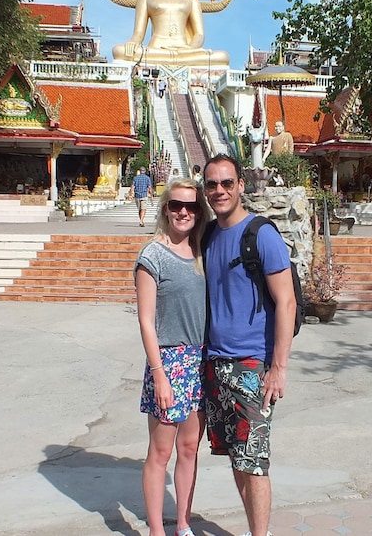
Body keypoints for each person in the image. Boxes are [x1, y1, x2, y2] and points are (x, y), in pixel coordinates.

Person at [201, 154, 296, 536]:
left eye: (227, 183)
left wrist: (279, 368)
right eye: (212, 184)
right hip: (215, 363)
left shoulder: (262, 235)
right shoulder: (208, 235)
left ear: (241, 185)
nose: (219, 190)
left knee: (254, 462)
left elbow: (286, 301)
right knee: (238, 460)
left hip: (252, 366)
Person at [134, 178, 210, 536]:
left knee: (190, 448)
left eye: (191, 206)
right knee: (160, 452)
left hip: (201, 359)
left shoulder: (201, 252)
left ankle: (182, 523)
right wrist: (159, 374)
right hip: (169, 361)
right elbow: (146, 322)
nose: (184, 212)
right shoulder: (153, 255)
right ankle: (155, 530)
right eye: (177, 205)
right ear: (165, 208)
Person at [110, 0, 230, 66]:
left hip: (184, 50)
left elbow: (199, 35)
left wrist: (190, 49)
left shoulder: (192, 2)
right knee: (119, 51)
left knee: (223, 57)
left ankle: (180, 58)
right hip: (155, 50)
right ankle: (177, 59)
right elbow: (138, 33)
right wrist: (133, 43)